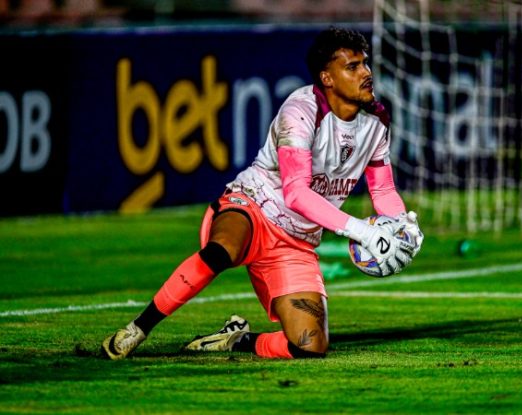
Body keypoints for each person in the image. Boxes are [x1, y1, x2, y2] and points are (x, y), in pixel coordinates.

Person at [101, 27, 423, 360]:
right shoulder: (301, 112)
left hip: (297, 241)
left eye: (365, 64)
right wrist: (361, 230)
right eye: (353, 67)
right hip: (253, 206)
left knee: (311, 346)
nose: (366, 73)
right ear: (327, 77)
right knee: (222, 250)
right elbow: (296, 194)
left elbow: (382, 188)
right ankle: (137, 329)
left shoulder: (377, 121)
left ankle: (236, 340)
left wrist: (400, 224)